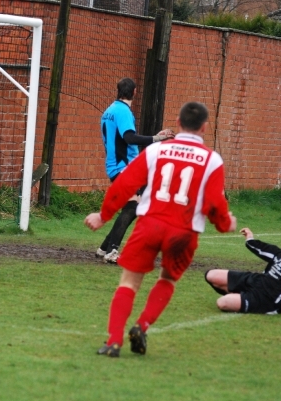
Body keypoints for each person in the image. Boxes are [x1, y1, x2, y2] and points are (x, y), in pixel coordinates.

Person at [85, 101, 237, 357]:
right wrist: (225, 223)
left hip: (150, 223)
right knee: (166, 278)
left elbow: (125, 183)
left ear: (178, 124)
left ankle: (113, 341)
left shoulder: (156, 151)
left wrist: (103, 215)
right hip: (183, 232)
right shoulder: (213, 160)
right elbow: (215, 203)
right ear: (204, 127)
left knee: (129, 282)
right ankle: (141, 326)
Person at [97, 77, 174, 263]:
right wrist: (157, 138)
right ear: (134, 92)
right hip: (124, 167)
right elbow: (129, 138)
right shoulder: (122, 111)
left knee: (137, 205)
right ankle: (112, 251)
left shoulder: (108, 111)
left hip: (117, 166)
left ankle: (105, 247)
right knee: (132, 207)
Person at [205, 227, 281, 314]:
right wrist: (250, 239)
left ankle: (241, 298)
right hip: (258, 280)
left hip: (267, 298)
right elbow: (269, 251)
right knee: (211, 275)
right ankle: (242, 295)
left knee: (222, 303)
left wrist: (277, 305)